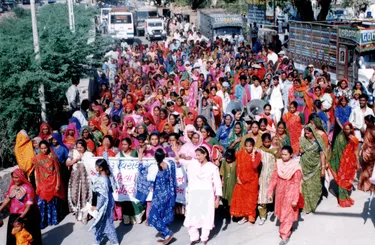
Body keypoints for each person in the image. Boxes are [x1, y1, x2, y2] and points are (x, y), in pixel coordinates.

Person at [177, 146, 222, 245]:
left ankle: (204, 237)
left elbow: (218, 183)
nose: (197, 157)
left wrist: (217, 198)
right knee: (191, 216)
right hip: (194, 195)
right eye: (195, 155)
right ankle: (194, 237)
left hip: (207, 196)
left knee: (206, 216)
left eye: (199, 155)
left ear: (205, 154)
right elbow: (179, 161)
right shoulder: (192, 163)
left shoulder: (212, 167)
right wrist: (175, 151)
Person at [267, 146, 303, 245]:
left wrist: (295, 199)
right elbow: (274, 178)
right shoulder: (278, 164)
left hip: (290, 193)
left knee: (287, 213)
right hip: (280, 192)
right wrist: (270, 192)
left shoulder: (295, 167)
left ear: (291, 155)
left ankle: (284, 235)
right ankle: (286, 228)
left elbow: (297, 184)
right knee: (282, 212)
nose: (283, 156)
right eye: (282, 154)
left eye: (286, 154)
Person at [139, 148, 176, 245]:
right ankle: (165, 235)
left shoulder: (154, 168)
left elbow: (145, 176)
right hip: (168, 194)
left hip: (159, 196)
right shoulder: (169, 164)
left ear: (155, 157)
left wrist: (140, 160)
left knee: (152, 217)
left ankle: (168, 233)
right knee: (162, 214)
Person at [0, 169, 42, 245]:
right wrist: (0, 208)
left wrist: (20, 218)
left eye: (17, 177)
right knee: (12, 237)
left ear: (22, 177)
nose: (14, 179)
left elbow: (29, 205)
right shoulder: (12, 187)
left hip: (26, 215)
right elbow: (8, 198)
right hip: (14, 215)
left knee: (26, 238)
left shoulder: (29, 188)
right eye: (13, 177)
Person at [32, 140, 65, 229]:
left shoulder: (53, 157)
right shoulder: (36, 158)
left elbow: (58, 172)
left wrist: (58, 184)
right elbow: (36, 172)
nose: (44, 150)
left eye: (45, 148)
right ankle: (43, 221)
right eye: (41, 148)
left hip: (53, 181)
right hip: (42, 183)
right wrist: (37, 184)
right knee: (42, 202)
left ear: (48, 147)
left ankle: (53, 220)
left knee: (52, 202)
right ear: (39, 148)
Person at [230, 138, 262, 225]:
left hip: (252, 181)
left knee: (251, 200)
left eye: (250, 146)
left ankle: (251, 218)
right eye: (247, 146)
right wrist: (238, 177)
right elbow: (231, 157)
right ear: (244, 146)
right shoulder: (240, 153)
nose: (248, 148)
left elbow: (255, 166)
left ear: (253, 146)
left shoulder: (258, 155)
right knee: (242, 199)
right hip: (241, 180)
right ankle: (244, 216)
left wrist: (253, 155)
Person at [89, 159, 119, 245]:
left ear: (101, 168)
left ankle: (113, 242)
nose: (95, 168)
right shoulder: (107, 175)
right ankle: (98, 240)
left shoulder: (102, 180)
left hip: (104, 204)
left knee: (104, 223)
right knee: (105, 222)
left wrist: (97, 207)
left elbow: (102, 196)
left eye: (96, 166)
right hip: (110, 201)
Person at [329, 122, 359, 207]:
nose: (346, 131)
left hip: (350, 163)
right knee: (341, 179)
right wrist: (338, 162)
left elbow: (356, 151)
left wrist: (357, 162)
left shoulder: (354, 139)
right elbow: (336, 151)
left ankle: (346, 197)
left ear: (351, 129)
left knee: (347, 179)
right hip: (340, 162)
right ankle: (342, 200)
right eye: (345, 129)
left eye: (348, 129)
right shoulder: (339, 138)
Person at [299, 125, 326, 214]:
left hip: (316, 167)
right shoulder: (303, 140)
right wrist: (300, 150)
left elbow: (322, 155)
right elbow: (299, 150)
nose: (306, 135)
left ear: (313, 132)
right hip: (305, 166)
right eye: (305, 133)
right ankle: (306, 206)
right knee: (305, 187)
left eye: (308, 133)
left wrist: (322, 169)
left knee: (315, 187)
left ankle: (313, 204)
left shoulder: (319, 141)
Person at [66, 139, 94, 224]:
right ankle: (78, 213)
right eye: (77, 147)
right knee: (75, 195)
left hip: (86, 179)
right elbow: (67, 163)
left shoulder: (89, 154)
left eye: (81, 147)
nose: (79, 149)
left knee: (85, 195)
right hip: (75, 178)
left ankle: (85, 215)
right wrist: (76, 159)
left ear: (85, 147)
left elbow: (92, 166)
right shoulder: (72, 153)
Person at [258, 133, 279, 225]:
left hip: (274, 176)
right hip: (263, 176)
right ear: (262, 142)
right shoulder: (259, 150)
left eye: (268, 141)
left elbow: (280, 161)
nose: (267, 144)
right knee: (262, 196)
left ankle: (278, 213)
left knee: (277, 195)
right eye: (265, 142)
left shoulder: (275, 150)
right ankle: (263, 215)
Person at [358, 115, 375, 193]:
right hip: (366, 152)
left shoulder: (373, 130)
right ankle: (365, 186)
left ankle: (368, 186)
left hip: (371, 153)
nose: (365, 122)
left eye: (366, 121)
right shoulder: (368, 128)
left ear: (370, 122)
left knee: (369, 170)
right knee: (366, 169)